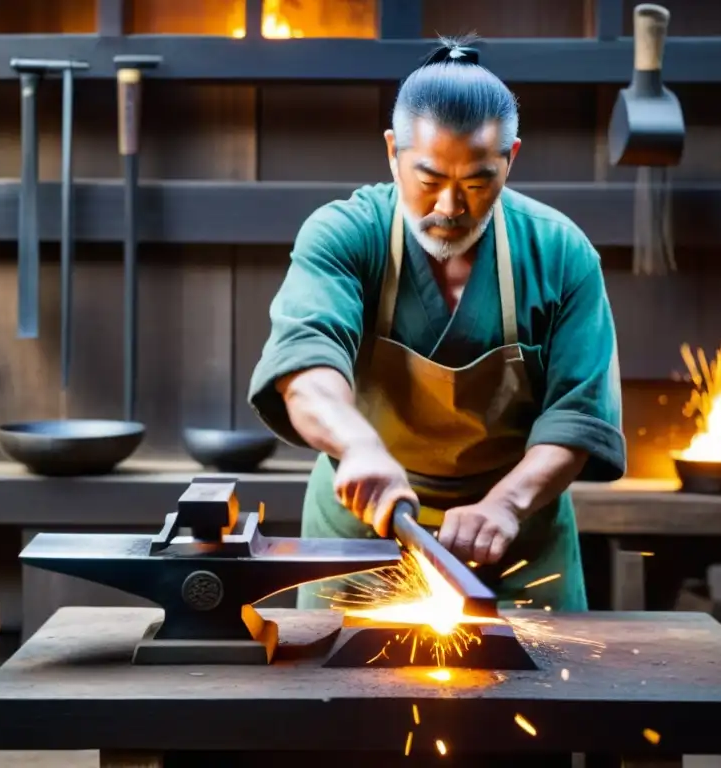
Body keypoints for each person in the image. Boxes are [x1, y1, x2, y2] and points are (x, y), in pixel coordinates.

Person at [247, 38, 626, 612]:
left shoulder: (560, 252)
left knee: (542, 692)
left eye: (476, 184)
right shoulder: (345, 233)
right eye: (428, 180)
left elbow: (579, 415)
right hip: (360, 531)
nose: (449, 207)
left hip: (513, 537)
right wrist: (357, 447)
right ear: (392, 151)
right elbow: (305, 365)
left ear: (511, 158)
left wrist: (505, 505)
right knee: (335, 692)